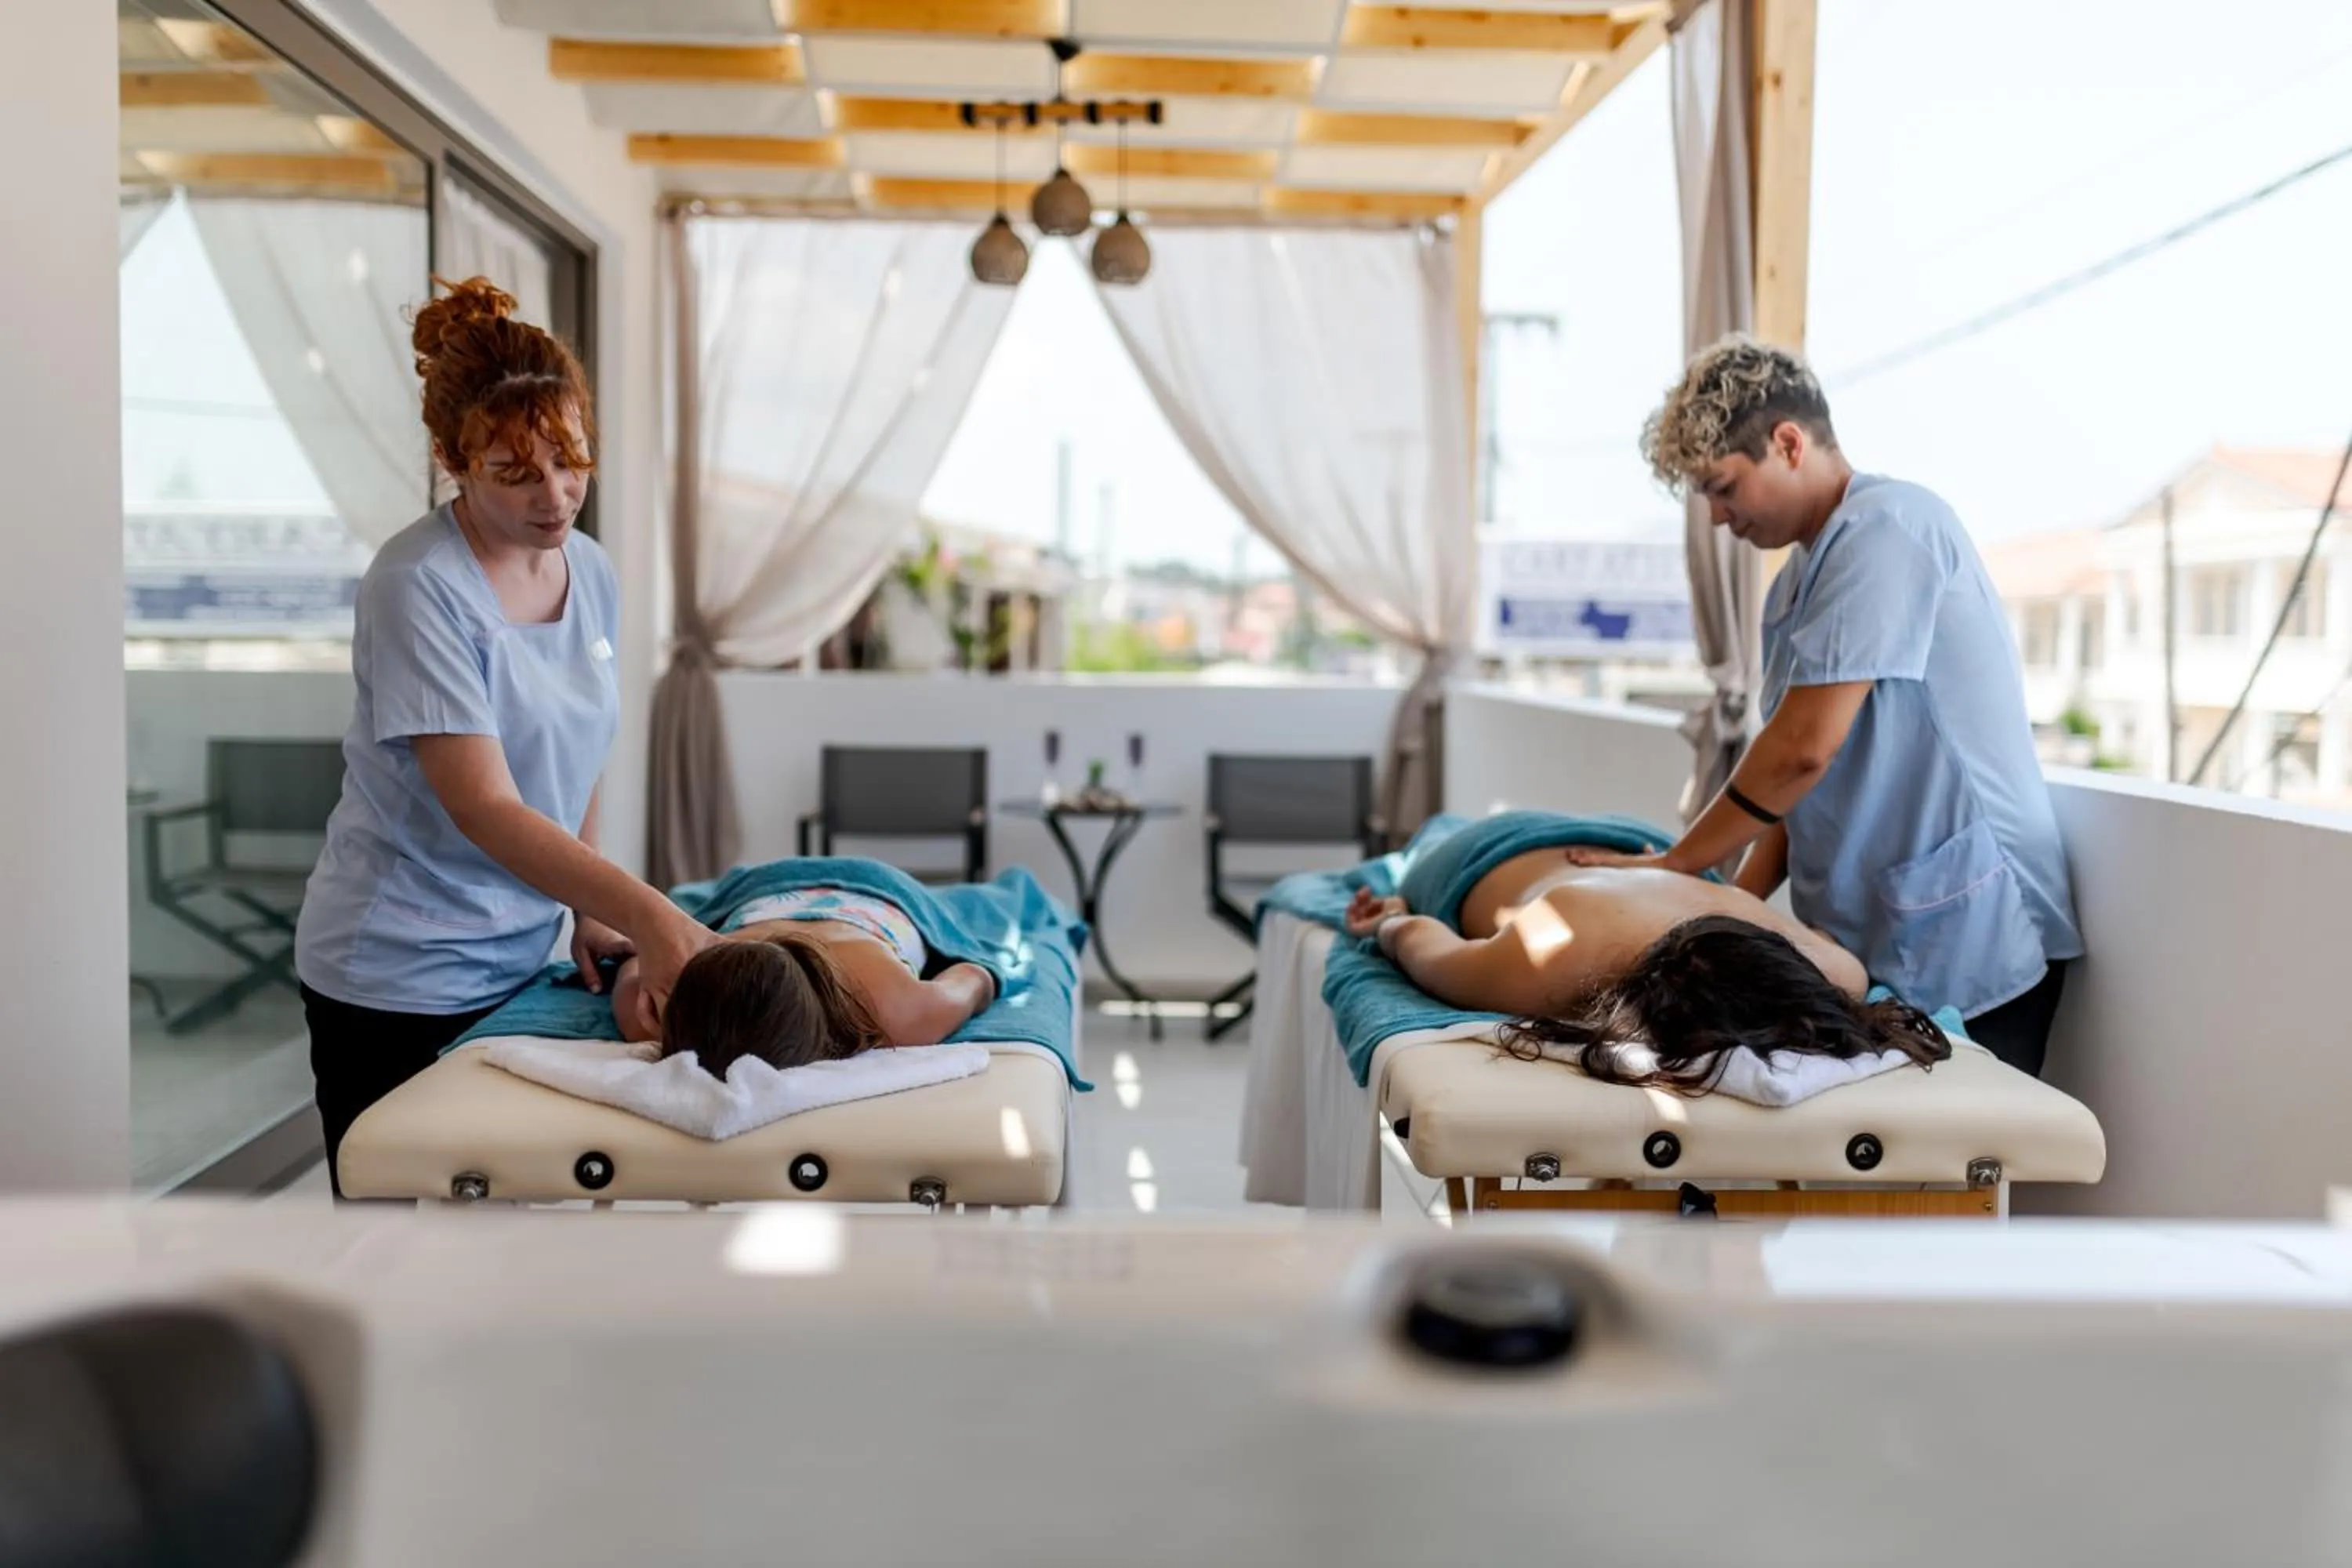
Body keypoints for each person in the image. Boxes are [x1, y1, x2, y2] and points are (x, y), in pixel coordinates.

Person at [295, 278, 718, 1196]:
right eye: (516, 471)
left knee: (510, 1225)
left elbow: (579, 748)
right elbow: (483, 802)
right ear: (452, 459)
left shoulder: (590, 570)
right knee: (399, 1236)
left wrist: (592, 908)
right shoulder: (420, 586)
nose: (556, 494)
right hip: (399, 975)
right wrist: (651, 910)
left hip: (518, 957)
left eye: (571, 459)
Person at [1567, 335, 2083, 1076]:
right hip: (1881, 936)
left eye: (1722, 487)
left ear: (1787, 443)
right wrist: (1720, 909)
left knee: (1943, 1174)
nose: (1717, 517)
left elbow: (1802, 750)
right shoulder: (1798, 583)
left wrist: (1681, 866)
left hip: (1974, 931)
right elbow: (1800, 790)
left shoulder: (1890, 528)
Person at [1338, 821, 1950, 1094]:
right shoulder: (1560, 953)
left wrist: (1393, 925)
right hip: (1489, 851)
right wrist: (1388, 918)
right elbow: (1427, 948)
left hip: (1649, 849)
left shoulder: (1835, 972)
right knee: (1432, 838)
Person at [611, 881, 999, 1079]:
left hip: (879, 890)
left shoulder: (891, 1006)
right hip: (761, 890)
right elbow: (973, 978)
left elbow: (978, 978)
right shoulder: (658, 1004)